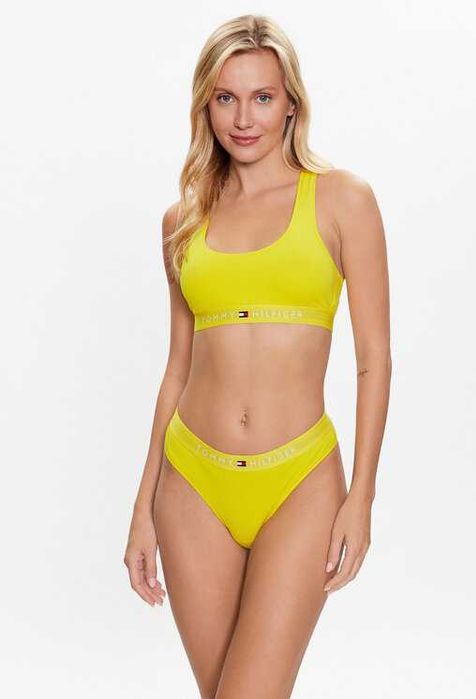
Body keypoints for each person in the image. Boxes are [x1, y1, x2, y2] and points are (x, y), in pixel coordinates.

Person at [124, 13, 391, 699]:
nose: (244, 118)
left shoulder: (342, 200)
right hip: (191, 484)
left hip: (299, 481)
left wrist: (361, 496)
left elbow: (373, 358)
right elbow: (177, 368)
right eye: (226, 98)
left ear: (291, 103)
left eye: (262, 97)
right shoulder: (182, 221)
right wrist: (142, 508)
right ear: (205, 106)